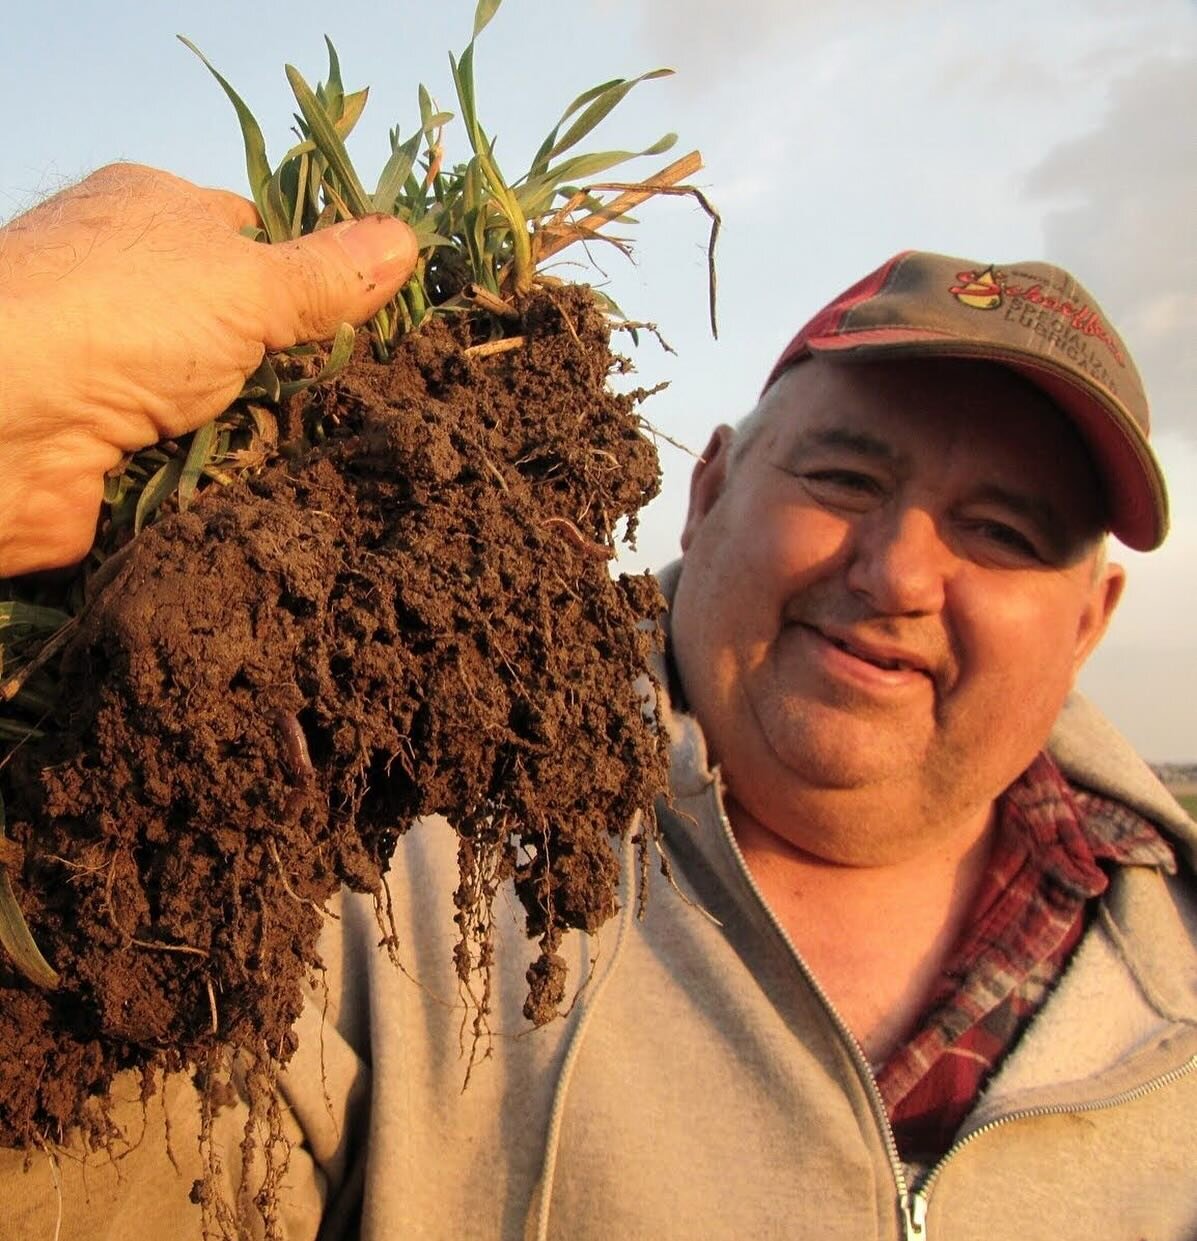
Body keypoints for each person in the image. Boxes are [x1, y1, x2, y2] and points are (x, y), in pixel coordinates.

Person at [1, 167, 1194, 1240]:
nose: (895, 573)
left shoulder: (1174, 962)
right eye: (843, 477)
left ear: (1091, 619)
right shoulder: (379, 814)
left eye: (1001, 532)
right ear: (711, 485)